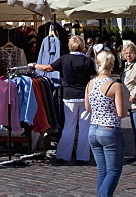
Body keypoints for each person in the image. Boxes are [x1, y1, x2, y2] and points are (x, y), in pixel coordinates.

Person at [29, 35, 96, 164]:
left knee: (68, 127)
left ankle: (63, 155)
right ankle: (82, 157)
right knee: (84, 128)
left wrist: (34, 64)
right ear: (82, 46)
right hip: (84, 96)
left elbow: (48, 68)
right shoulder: (87, 61)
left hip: (69, 97)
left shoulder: (64, 59)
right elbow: (93, 78)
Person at [85, 51, 127, 197]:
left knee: (102, 170)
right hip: (109, 130)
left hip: (93, 129)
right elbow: (121, 113)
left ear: (98, 64)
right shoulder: (115, 86)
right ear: (112, 66)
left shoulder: (90, 83)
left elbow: (87, 108)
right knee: (114, 171)